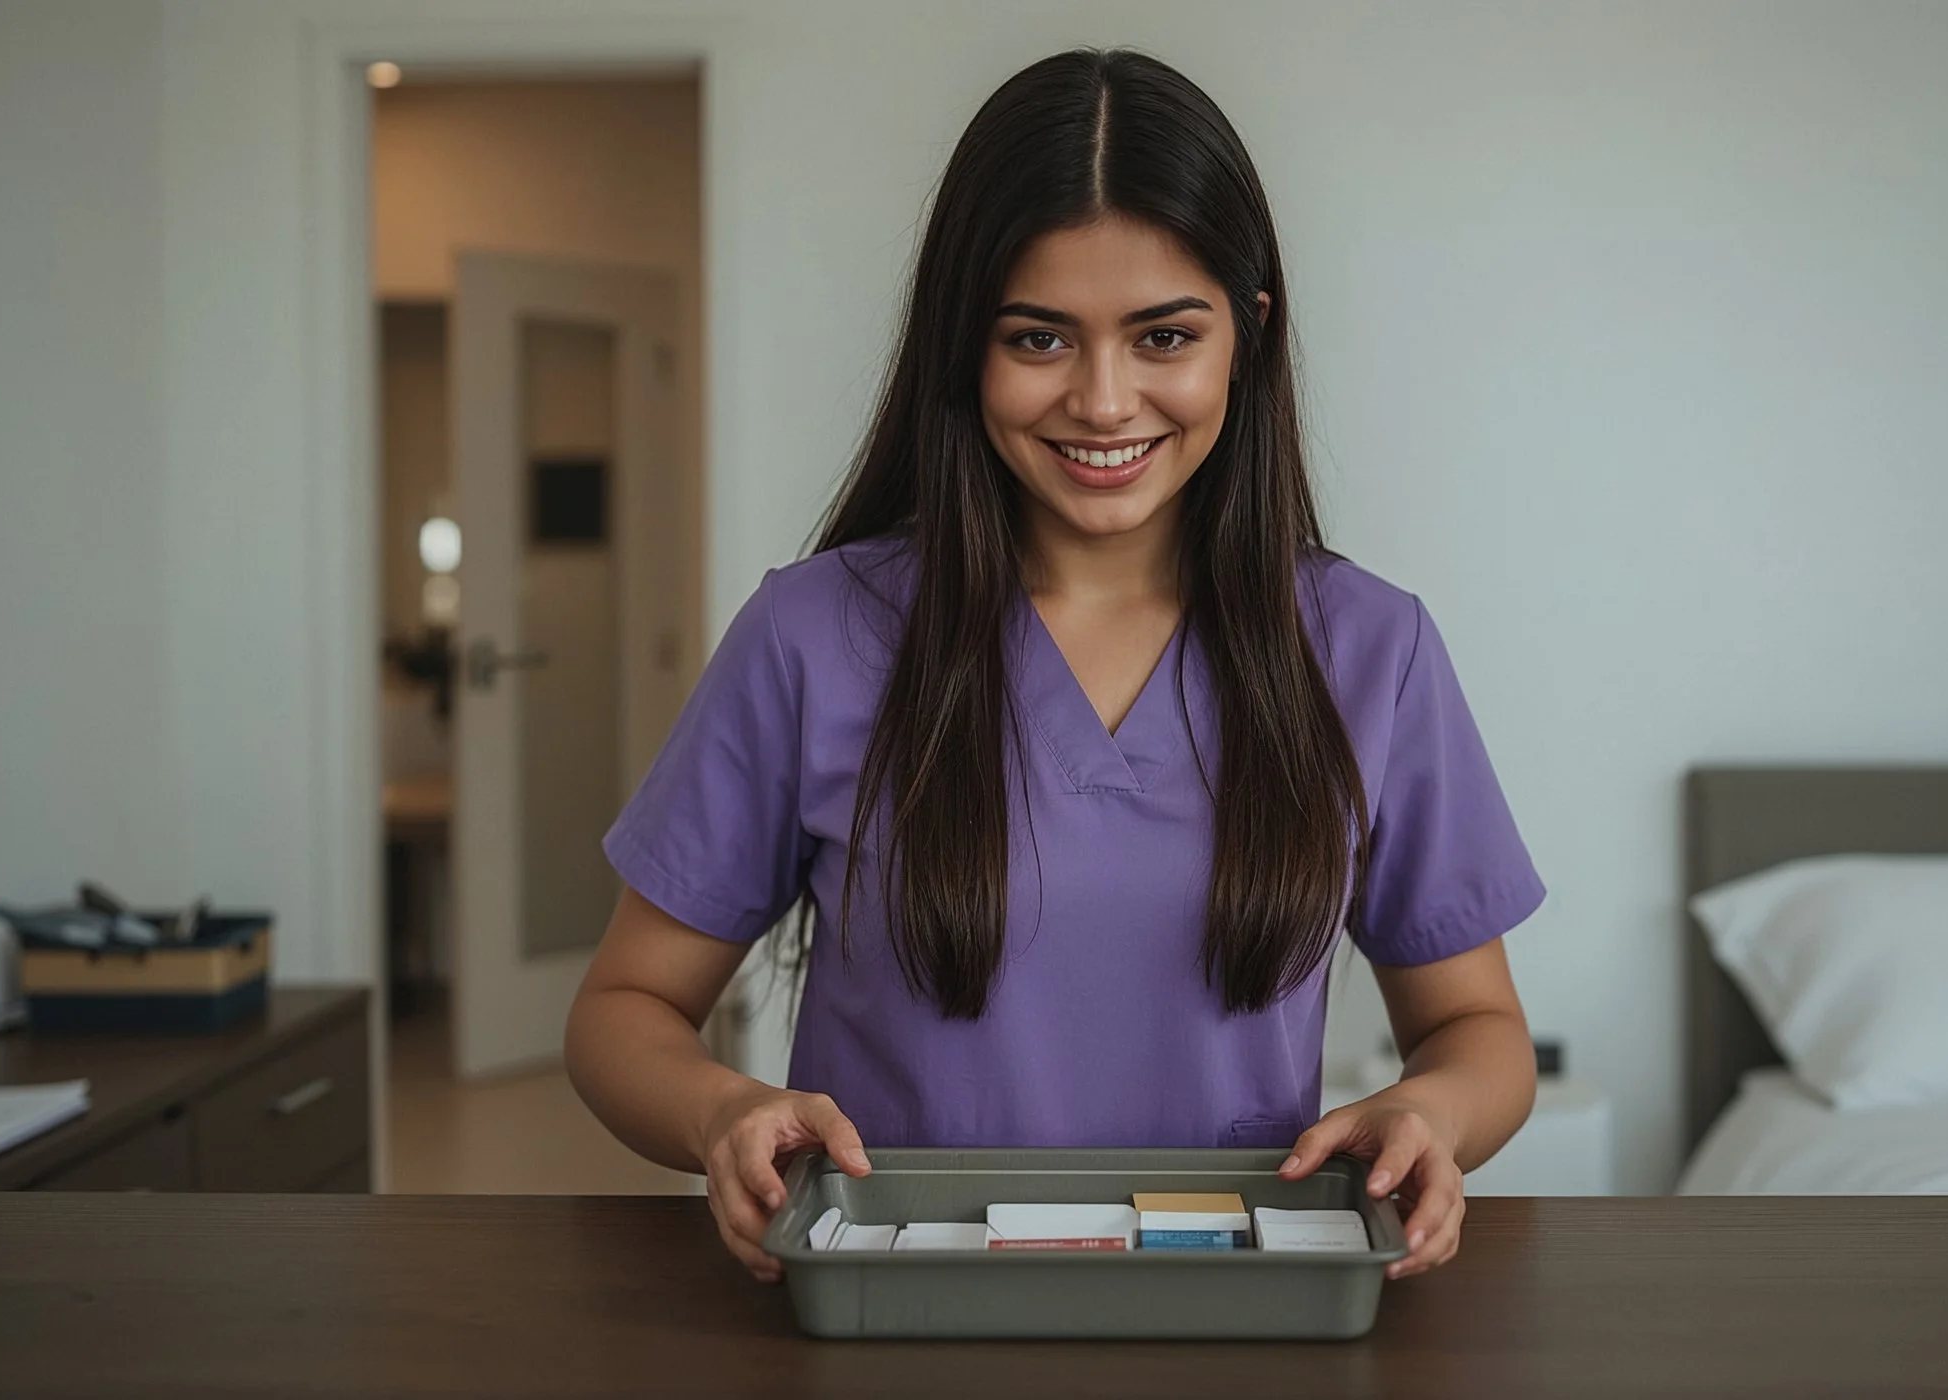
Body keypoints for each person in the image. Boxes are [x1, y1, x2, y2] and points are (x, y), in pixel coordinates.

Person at [565, 47, 1545, 1285]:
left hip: (1236, 1312)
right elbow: (620, 1012)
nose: (1102, 398)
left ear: (1245, 334)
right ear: (963, 346)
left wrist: (1434, 1116)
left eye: (1161, 336)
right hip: (897, 1312)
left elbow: (1478, 1029)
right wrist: (718, 1110)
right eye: (1039, 338)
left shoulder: (1369, 648)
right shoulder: (813, 634)